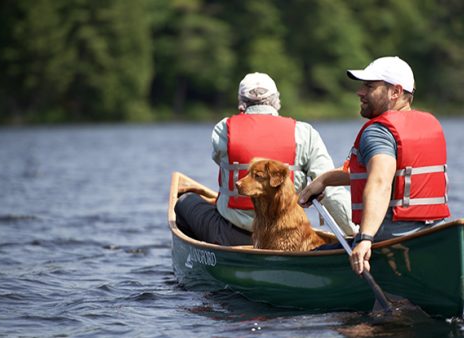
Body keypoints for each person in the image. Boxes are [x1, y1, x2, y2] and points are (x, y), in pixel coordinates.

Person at [299, 56, 450, 275]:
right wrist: (326, 180)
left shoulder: (378, 131)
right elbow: (385, 175)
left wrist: (365, 239)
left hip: (386, 243)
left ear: (395, 92)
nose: (359, 92)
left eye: (369, 86)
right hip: (428, 236)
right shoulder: (428, 126)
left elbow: (379, 182)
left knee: (311, 259)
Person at [175, 72, 357, 246]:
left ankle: (203, 255)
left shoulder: (224, 129)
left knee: (185, 201)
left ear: (241, 104)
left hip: (233, 236)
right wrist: (356, 232)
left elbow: (219, 160)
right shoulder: (304, 132)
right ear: (276, 102)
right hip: (288, 235)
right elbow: (331, 191)